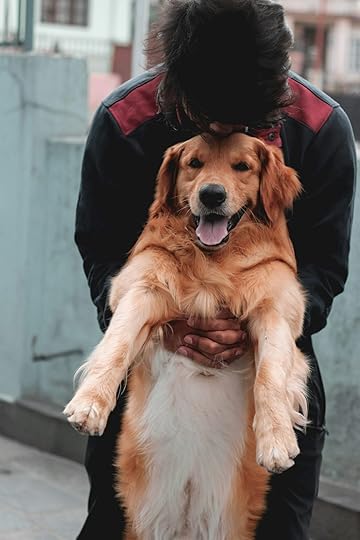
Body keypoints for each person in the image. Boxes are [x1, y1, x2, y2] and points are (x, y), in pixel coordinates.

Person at [74, 1, 357, 538]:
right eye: (208, 115)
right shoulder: (125, 120)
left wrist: (248, 333)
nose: (225, 126)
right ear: (175, 83)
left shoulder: (321, 129)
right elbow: (100, 248)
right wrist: (169, 327)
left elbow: (325, 268)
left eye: (244, 117)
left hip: (268, 373)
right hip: (148, 376)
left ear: (276, 84)